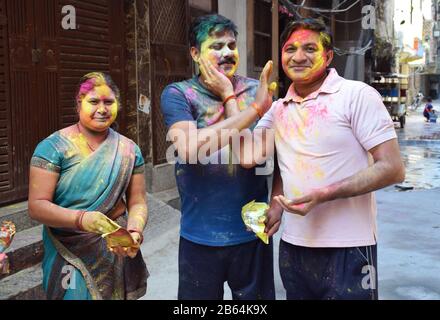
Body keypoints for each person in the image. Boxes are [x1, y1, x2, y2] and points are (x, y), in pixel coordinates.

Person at [232, 18, 405, 299]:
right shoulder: (278, 108)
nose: (298, 57)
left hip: (350, 248)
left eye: (310, 49)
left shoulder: (356, 96)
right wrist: (253, 107)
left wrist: (324, 194)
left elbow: (392, 168)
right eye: (290, 49)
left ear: (328, 56)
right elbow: (250, 158)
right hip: (293, 247)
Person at [160, 14, 276, 300]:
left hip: (252, 233)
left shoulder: (256, 91)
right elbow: (189, 149)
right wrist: (249, 109)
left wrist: (232, 98)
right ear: (195, 54)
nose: (226, 53)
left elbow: (254, 156)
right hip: (199, 236)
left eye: (231, 45)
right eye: (216, 46)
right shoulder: (179, 94)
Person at [28, 72, 149, 300]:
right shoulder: (53, 147)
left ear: (118, 105)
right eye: (93, 102)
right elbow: (37, 206)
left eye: (109, 102)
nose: (102, 109)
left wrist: (134, 231)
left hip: (115, 246)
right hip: (68, 248)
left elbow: (138, 201)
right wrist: (83, 220)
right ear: (78, 104)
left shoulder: (128, 150)